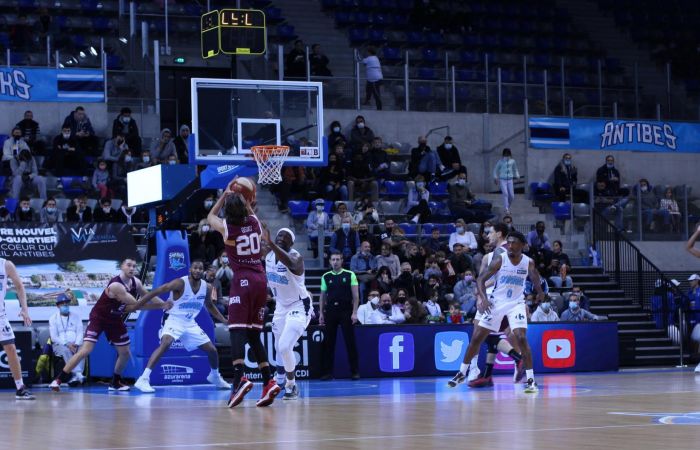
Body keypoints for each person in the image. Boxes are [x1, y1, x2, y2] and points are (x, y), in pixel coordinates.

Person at [207, 189, 281, 408]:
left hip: (243, 279)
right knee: (253, 333)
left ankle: (239, 379)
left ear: (227, 212)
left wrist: (223, 196)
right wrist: (243, 198)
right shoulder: (256, 223)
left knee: (236, 329)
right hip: (261, 280)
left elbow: (210, 216)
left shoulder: (227, 228)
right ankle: (268, 380)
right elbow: (250, 210)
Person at [448, 231, 544, 393]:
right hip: (496, 303)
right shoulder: (500, 259)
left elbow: (534, 277)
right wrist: (484, 299)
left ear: (523, 246)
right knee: (477, 338)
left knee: (521, 337)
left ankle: (531, 381)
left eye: (514, 243)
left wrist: (540, 292)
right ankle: (462, 372)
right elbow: (480, 279)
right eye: (509, 243)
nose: (511, 246)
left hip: (516, 304)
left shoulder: (528, 262)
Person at [50, 258, 165, 392]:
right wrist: (162, 305)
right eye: (128, 265)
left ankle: (115, 382)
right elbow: (136, 305)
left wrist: (166, 305)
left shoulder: (136, 282)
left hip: (115, 319)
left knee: (125, 353)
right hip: (99, 317)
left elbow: (148, 295)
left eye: (134, 266)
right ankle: (58, 380)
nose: (132, 268)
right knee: (86, 350)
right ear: (121, 266)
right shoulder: (116, 285)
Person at [131, 260, 230, 393]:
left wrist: (224, 320)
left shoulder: (207, 287)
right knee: (166, 343)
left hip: (190, 323)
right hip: (174, 319)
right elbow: (157, 291)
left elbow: (210, 305)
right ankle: (143, 379)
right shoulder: (180, 283)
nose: (198, 270)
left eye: (200, 268)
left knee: (212, 350)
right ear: (190, 270)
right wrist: (137, 305)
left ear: (203, 271)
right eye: (195, 268)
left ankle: (215, 376)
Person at [262, 227, 312, 400]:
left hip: (299, 305)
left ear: (292, 242)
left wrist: (270, 243)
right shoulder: (268, 256)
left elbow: (291, 264)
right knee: (278, 347)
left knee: (284, 346)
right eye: (279, 235)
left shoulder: (296, 257)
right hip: (281, 307)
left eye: (286, 236)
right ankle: (280, 378)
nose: (281, 237)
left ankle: (291, 385)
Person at [319, 252, 360, 380]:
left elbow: (356, 296)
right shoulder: (326, 276)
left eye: (338, 259)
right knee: (329, 343)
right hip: (331, 311)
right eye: (333, 259)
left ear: (342, 261)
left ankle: (355, 372)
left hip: (346, 311)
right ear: (330, 261)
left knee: (350, 342)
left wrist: (354, 312)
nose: (335, 262)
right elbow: (322, 296)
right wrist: (321, 313)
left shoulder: (350, 274)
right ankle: (327, 372)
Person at [0, 258, 35, 399]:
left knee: (11, 349)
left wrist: (25, 309)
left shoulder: (6, 265)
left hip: (0, 315)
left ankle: (20, 388)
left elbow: (20, 287)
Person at [48, 293, 85, 386]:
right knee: (66, 350)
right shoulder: (53, 319)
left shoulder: (76, 316)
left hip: (76, 343)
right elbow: (54, 337)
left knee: (83, 349)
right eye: (62, 304)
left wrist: (76, 344)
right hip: (60, 345)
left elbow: (80, 331)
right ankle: (77, 374)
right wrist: (67, 344)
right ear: (58, 306)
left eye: (67, 304)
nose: (65, 305)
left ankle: (76, 376)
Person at [492, 148, 520, 215]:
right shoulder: (500, 161)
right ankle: (506, 209)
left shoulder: (512, 161)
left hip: (510, 180)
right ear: (503, 154)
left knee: (512, 196)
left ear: (510, 154)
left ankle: (507, 207)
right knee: (505, 194)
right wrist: (495, 178)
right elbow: (495, 170)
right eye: (505, 154)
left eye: (508, 154)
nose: (507, 155)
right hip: (502, 180)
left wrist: (517, 176)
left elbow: (515, 169)